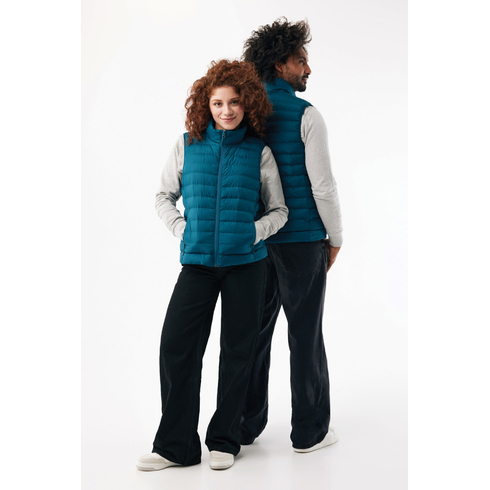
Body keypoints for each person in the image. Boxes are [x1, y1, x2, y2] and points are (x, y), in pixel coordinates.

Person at [136, 60, 288, 472]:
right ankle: (176, 447)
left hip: (247, 266)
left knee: (238, 352)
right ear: (206, 104)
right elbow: (163, 196)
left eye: (234, 102)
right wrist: (182, 229)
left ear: (247, 103)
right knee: (176, 348)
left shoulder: (259, 152)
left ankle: (224, 439)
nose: (226, 110)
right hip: (198, 265)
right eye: (218, 103)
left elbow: (279, 210)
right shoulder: (187, 145)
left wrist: (253, 232)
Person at [239, 18, 344, 453]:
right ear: (281, 64)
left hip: (255, 242)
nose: (308, 69)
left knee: (252, 335)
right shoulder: (307, 114)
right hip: (302, 241)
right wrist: (335, 237)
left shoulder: (240, 112)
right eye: (301, 60)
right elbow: (323, 186)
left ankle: (243, 427)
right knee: (305, 334)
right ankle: (309, 431)